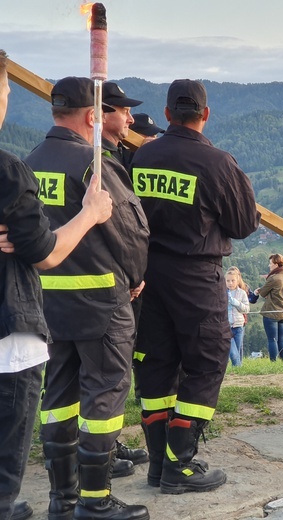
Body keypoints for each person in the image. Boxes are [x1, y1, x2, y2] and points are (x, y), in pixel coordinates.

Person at [25, 76, 150, 520]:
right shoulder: (92, 164)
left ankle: (63, 500)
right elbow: (130, 230)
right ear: (93, 115)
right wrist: (136, 277)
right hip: (101, 304)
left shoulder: (29, 162)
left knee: (56, 395)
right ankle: (97, 502)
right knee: (104, 395)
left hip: (48, 308)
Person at [131, 79, 260, 494]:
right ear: (205, 115)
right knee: (206, 361)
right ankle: (180, 465)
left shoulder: (142, 155)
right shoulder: (218, 163)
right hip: (195, 276)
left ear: (167, 114)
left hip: (147, 275)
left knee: (155, 364)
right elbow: (242, 225)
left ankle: (157, 464)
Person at [0, 51, 113, 520]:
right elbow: (44, 251)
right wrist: (91, 214)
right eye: (6, 88)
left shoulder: (27, 160)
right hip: (12, 328)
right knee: (7, 451)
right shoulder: (8, 171)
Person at [101, 80, 151, 475]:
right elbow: (128, 229)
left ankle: (105, 446)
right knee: (106, 378)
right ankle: (101, 457)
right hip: (108, 289)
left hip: (78, 290)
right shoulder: (103, 163)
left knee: (89, 379)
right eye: (123, 111)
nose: (130, 120)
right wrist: (136, 275)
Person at [254, 254, 283, 361]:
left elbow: (263, 292)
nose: (269, 265)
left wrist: (258, 291)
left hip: (271, 313)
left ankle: (273, 362)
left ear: (275, 264)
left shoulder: (274, 278)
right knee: (282, 339)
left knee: (272, 340)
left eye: (270, 263)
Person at [101, 81, 143, 169]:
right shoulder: (95, 157)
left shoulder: (123, 153)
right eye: (125, 112)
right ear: (103, 115)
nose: (131, 120)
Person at [226, 266, 249, 366]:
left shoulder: (242, 293)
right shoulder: (222, 293)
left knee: (238, 352)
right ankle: (236, 370)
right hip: (226, 327)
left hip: (239, 326)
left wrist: (235, 302)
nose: (230, 283)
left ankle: (238, 374)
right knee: (233, 354)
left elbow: (246, 309)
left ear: (237, 280)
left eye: (232, 280)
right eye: (228, 281)